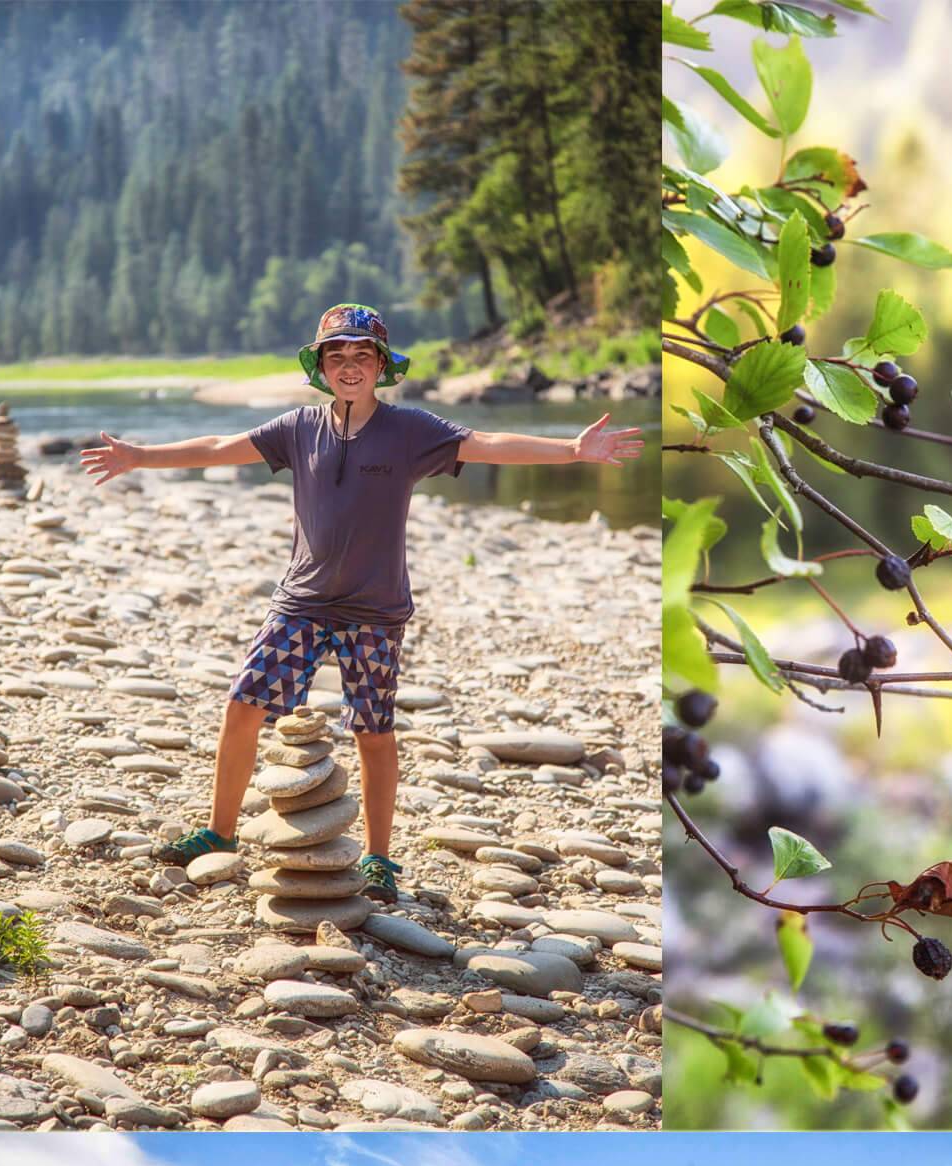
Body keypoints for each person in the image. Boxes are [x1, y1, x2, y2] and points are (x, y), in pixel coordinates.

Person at [79, 302, 643, 904]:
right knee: (243, 705)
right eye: (337, 356)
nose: (350, 366)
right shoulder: (298, 429)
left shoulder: (411, 432)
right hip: (303, 604)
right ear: (322, 368)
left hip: (375, 611)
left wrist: (572, 451)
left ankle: (378, 859)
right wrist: (141, 456)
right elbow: (221, 446)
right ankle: (219, 833)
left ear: (382, 366)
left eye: (361, 355)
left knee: (373, 731)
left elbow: (487, 442)